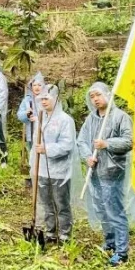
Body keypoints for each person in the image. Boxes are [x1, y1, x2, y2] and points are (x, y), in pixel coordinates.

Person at [77, 82, 135, 267]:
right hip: (95, 171)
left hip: (113, 172)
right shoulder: (91, 119)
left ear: (107, 95)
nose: (95, 99)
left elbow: (128, 142)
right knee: (101, 208)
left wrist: (107, 144)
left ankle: (122, 251)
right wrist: (87, 156)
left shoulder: (120, 117)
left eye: (98, 95)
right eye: (92, 96)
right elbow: (81, 140)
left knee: (114, 210)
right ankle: (110, 241)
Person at [32, 84, 82, 244]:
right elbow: (35, 144)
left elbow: (67, 145)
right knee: (46, 203)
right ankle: (50, 232)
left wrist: (47, 149)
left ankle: (65, 234)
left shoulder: (65, 120)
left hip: (60, 171)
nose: (43, 102)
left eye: (47, 98)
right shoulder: (41, 119)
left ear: (56, 99)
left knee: (61, 204)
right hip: (42, 169)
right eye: (41, 99)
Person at [18, 72, 46, 187]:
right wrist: (27, 114)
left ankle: (42, 175)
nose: (37, 87)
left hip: (44, 133)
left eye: (39, 85)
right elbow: (20, 115)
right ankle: (33, 175)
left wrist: (39, 119)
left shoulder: (46, 98)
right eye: (34, 85)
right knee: (32, 153)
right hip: (31, 131)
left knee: (43, 153)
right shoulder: (27, 100)